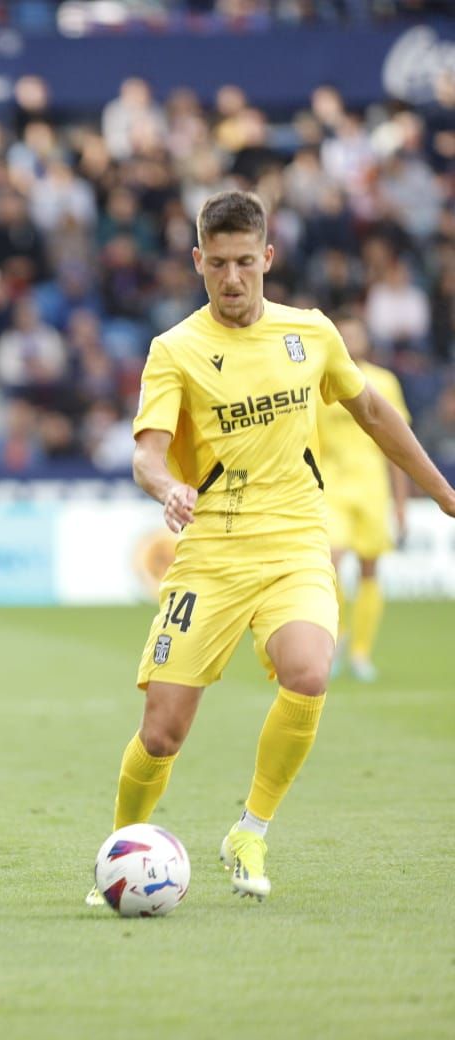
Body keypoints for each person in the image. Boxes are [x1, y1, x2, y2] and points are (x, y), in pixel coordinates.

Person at [87, 192, 455, 908]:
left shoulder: (311, 334)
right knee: (162, 734)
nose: (231, 279)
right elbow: (147, 456)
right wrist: (166, 487)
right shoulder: (176, 350)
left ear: (269, 259)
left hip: (294, 543)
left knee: (309, 671)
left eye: (245, 263)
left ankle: (251, 828)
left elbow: (375, 413)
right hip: (212, 555)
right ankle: (121, 849)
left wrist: (443, 492)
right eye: (217, 264)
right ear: (197, 261)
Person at [317, 316, 410, 682]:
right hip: (332, 488)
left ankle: (360, 653)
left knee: (370, 569)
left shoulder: (385, 381)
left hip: (373, 489)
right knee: (329, 563)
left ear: (366, 340)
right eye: (344, 334)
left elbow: (397, 443)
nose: (350, 339)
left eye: (355, 333)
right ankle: (338, 636)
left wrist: (401, 504)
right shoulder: (321, 381)